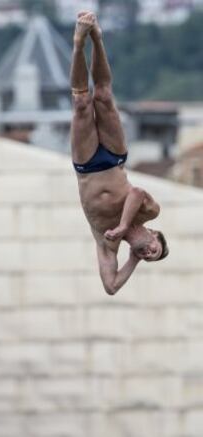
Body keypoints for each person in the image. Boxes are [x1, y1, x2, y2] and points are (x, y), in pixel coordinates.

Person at [70, 11, 169, 295]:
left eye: (150, 256)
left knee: (80, 102)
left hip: (87, 166)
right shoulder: (149, 212)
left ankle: (79, 43)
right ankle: (97, 37)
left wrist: (134, 260)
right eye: (155, 248)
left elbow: (111, 286)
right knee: (102, 94)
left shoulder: (108, 244)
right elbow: (136, 192)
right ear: (154, 234)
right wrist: (125, 224)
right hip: (114, 159)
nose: (151, 251)